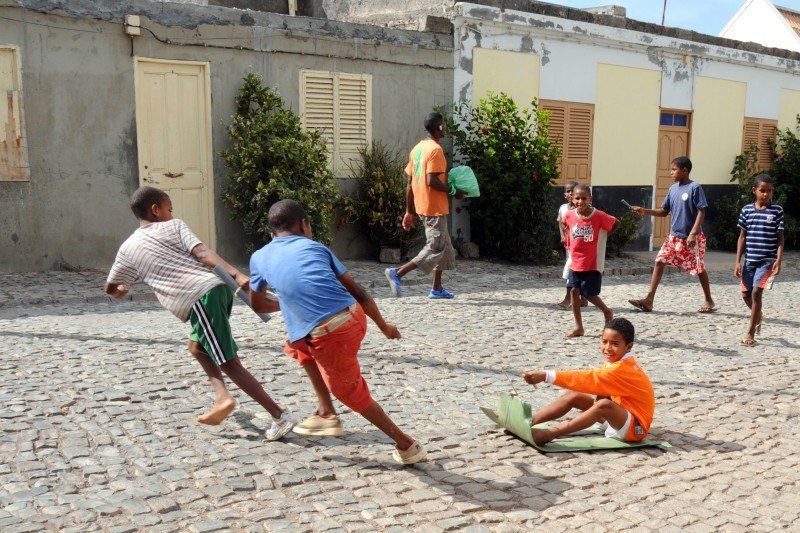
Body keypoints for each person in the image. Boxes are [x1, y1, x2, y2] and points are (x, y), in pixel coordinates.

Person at [104, 186, 295, 441]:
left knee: (228, 361)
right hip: (213, 292)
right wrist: (235, 274)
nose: (172, 215)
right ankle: (222, 398)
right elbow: (203, 254)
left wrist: (120, 290)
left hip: (200, 299)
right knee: (197, 348)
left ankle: (279, 415)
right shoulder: (174, 227)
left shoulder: (128, 248)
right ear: (156, 210)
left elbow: (111, 286)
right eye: (169, 209)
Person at [248, 199, 427, 464]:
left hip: (331, 333)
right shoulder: (315, 247)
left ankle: (408, 446)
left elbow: (258, 304)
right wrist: (384, 327)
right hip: (354, 316)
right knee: (296, 346)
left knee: (350, 393)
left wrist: (286, 299)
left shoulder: (259, 257)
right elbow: (359, 293)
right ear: (304, 225)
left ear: (272, 232)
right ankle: (326, 411)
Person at [522, 318, 654, 446]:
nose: (607, 348)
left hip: (635, 428)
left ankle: (550, 434)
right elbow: (601, 387)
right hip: (616, 420)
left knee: (604, 405)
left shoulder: (622, 368)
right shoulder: (616, 361)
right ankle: (527, 422)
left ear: (629, 346)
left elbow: (587, 379)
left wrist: (547, 375)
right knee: (574, 395)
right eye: (604, 341)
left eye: (615, 344)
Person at [384, 112, 465, 299]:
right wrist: (454, 191)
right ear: (439, 127)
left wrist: (408, 211)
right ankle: (397, 273)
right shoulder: (436, 150)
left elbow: (409, 182)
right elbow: (431, 181)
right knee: (435, 247)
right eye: (443, 125)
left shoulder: (417, 149)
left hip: (423, 205)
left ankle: (436, 288)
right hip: (433, 207)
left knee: (445, 248)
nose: (444, 128)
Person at [628, 156, 716, 313]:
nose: (671, 172)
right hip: (674, 237)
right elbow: (663, 212)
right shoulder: (672, 189)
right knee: (660, 261)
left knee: (699, 268)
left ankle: (709, 300)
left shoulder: (695, 187)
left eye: (674, 169)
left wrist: (693, 233)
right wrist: (644, 210)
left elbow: (702, 210)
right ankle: (649, 300)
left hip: (691, 237)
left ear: (685, 170)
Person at [561, 184, 619, 338]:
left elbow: (615, 222)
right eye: (577, 198)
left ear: (590, 199)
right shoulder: (569, 215)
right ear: (572, 199)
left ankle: (607, 311)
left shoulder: (598, 215)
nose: (580, 201)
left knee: (588, 294)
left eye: (584, 198)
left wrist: (603, 238)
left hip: (592, 262)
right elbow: (565, 225)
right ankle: (579, 327)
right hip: (575, 261)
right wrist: (567, 240)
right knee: (574, 291)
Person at [734, 174, 784, 347]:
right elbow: (742, 237)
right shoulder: (747, 210)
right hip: (750, 259)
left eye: (769, 191)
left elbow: (780, 238)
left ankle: (750, 332)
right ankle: (758, 314)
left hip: (767, 260)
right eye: (762, 190)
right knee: (746, 294)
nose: (766, 194)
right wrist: (738, 261)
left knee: (756, 292)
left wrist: (778, 259)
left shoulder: (776, 210)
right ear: (754, 190)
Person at [555, 180, 588, 309]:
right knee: (575, 270)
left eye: (572, 192)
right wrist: (563, 236)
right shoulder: (563, 208)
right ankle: (582, 298)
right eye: (568, 191)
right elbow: (560, 222)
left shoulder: (581, 209)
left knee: (571, 270)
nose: (570, 194)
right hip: (568, 245)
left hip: (579, 246)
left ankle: (569, 298)